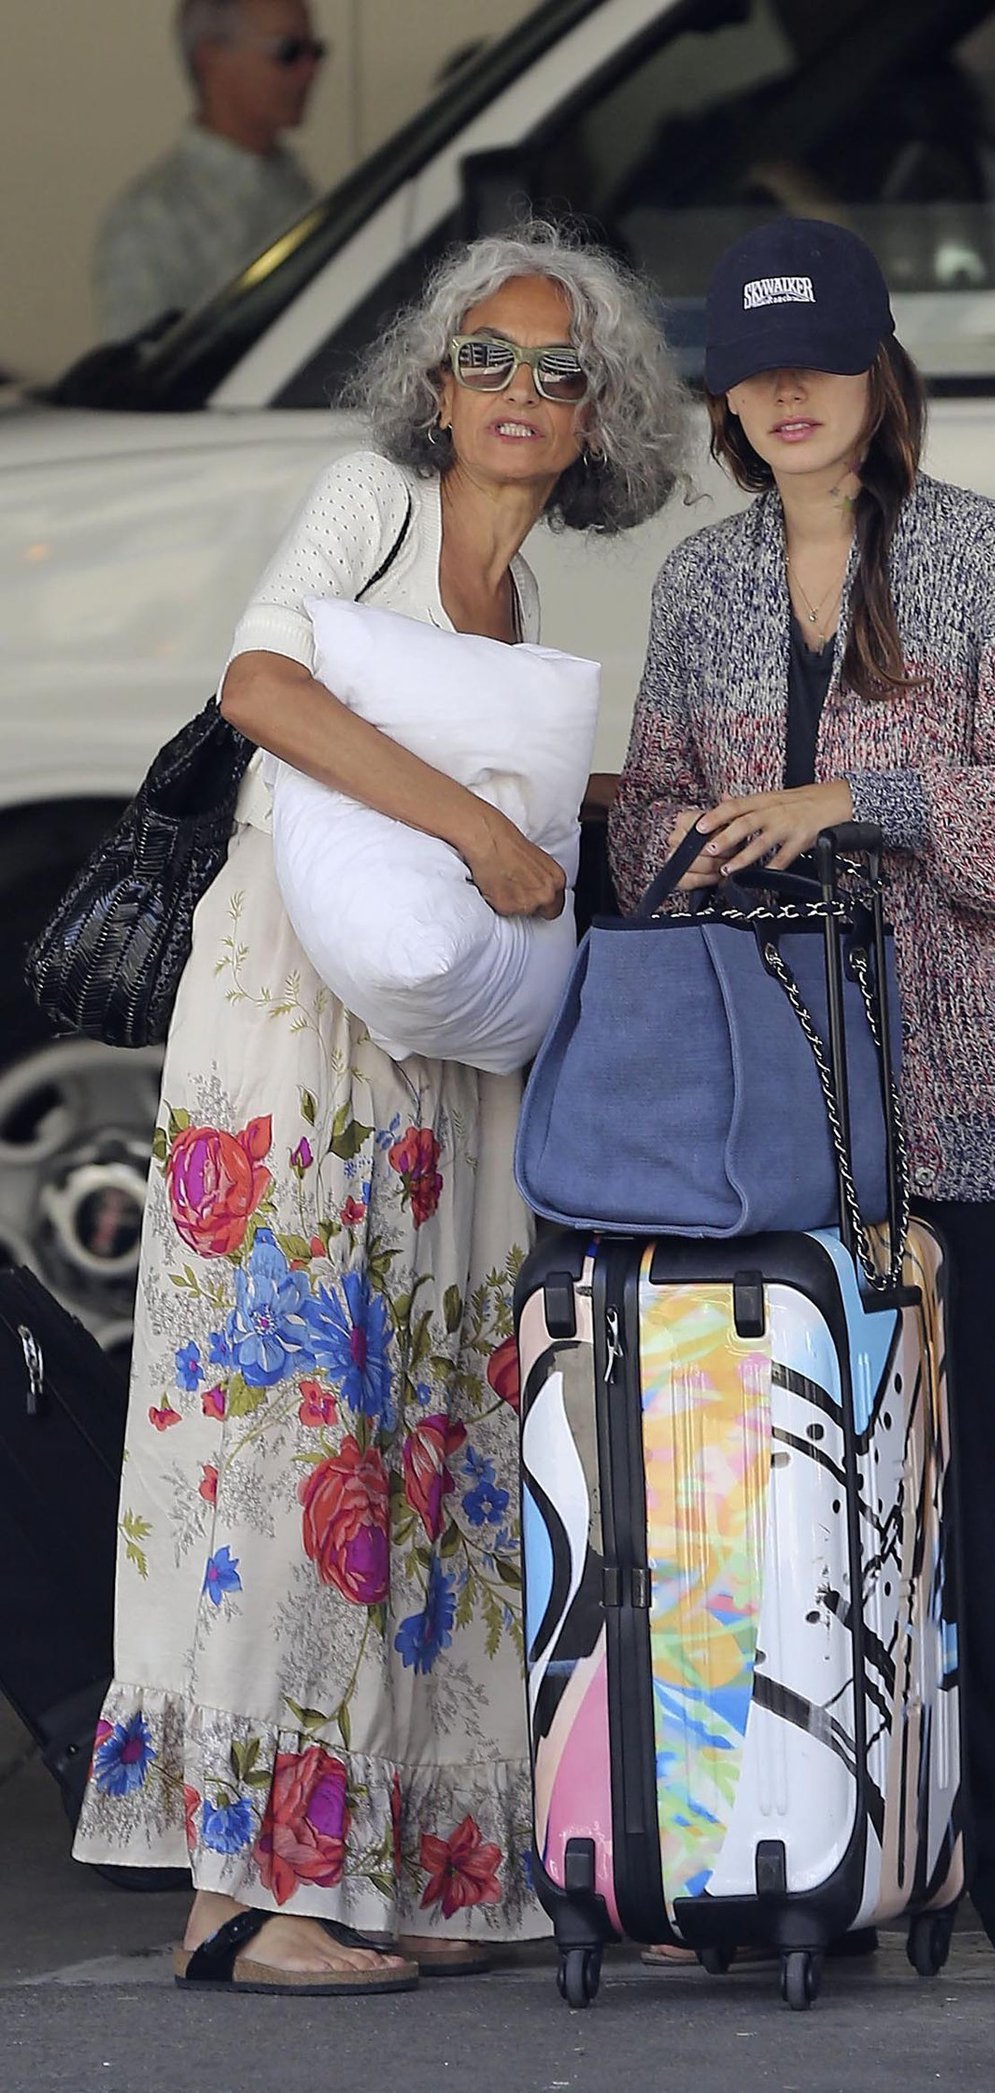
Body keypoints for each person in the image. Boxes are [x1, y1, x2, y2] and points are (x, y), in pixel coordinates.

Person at [72, 224, 690, 1994]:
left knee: (425, 1432)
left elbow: (481, 791)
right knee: (290, 1423)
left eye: (556, 371)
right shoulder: (370, 504)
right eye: (484, 356)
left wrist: (606, 804)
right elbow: (261, 689)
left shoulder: (522, 601)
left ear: (596, 420)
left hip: (436, 1042)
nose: (516, 390)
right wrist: (484, 828)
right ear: (434, 384)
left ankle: (403, 1861)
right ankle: (238, 1888)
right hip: (293, 1015)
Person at [609, 217, 995, 1980]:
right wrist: (707, 841)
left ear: (878, 371)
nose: (786, 395)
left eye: (816, 361)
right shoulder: (699, 583)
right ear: (725, 401)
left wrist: (853, 799)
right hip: (763, 1133)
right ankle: (775, 1869)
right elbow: (641, 821)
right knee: (770, 1506)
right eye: (754, 372)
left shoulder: (979, 553)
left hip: (975, 1121)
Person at [93, 0, 324, 343]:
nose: (310, 70)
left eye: (316, 52)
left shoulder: (292, 183)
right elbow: (145, 369)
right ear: (212, 58)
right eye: (288, 52)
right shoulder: (148, 222)